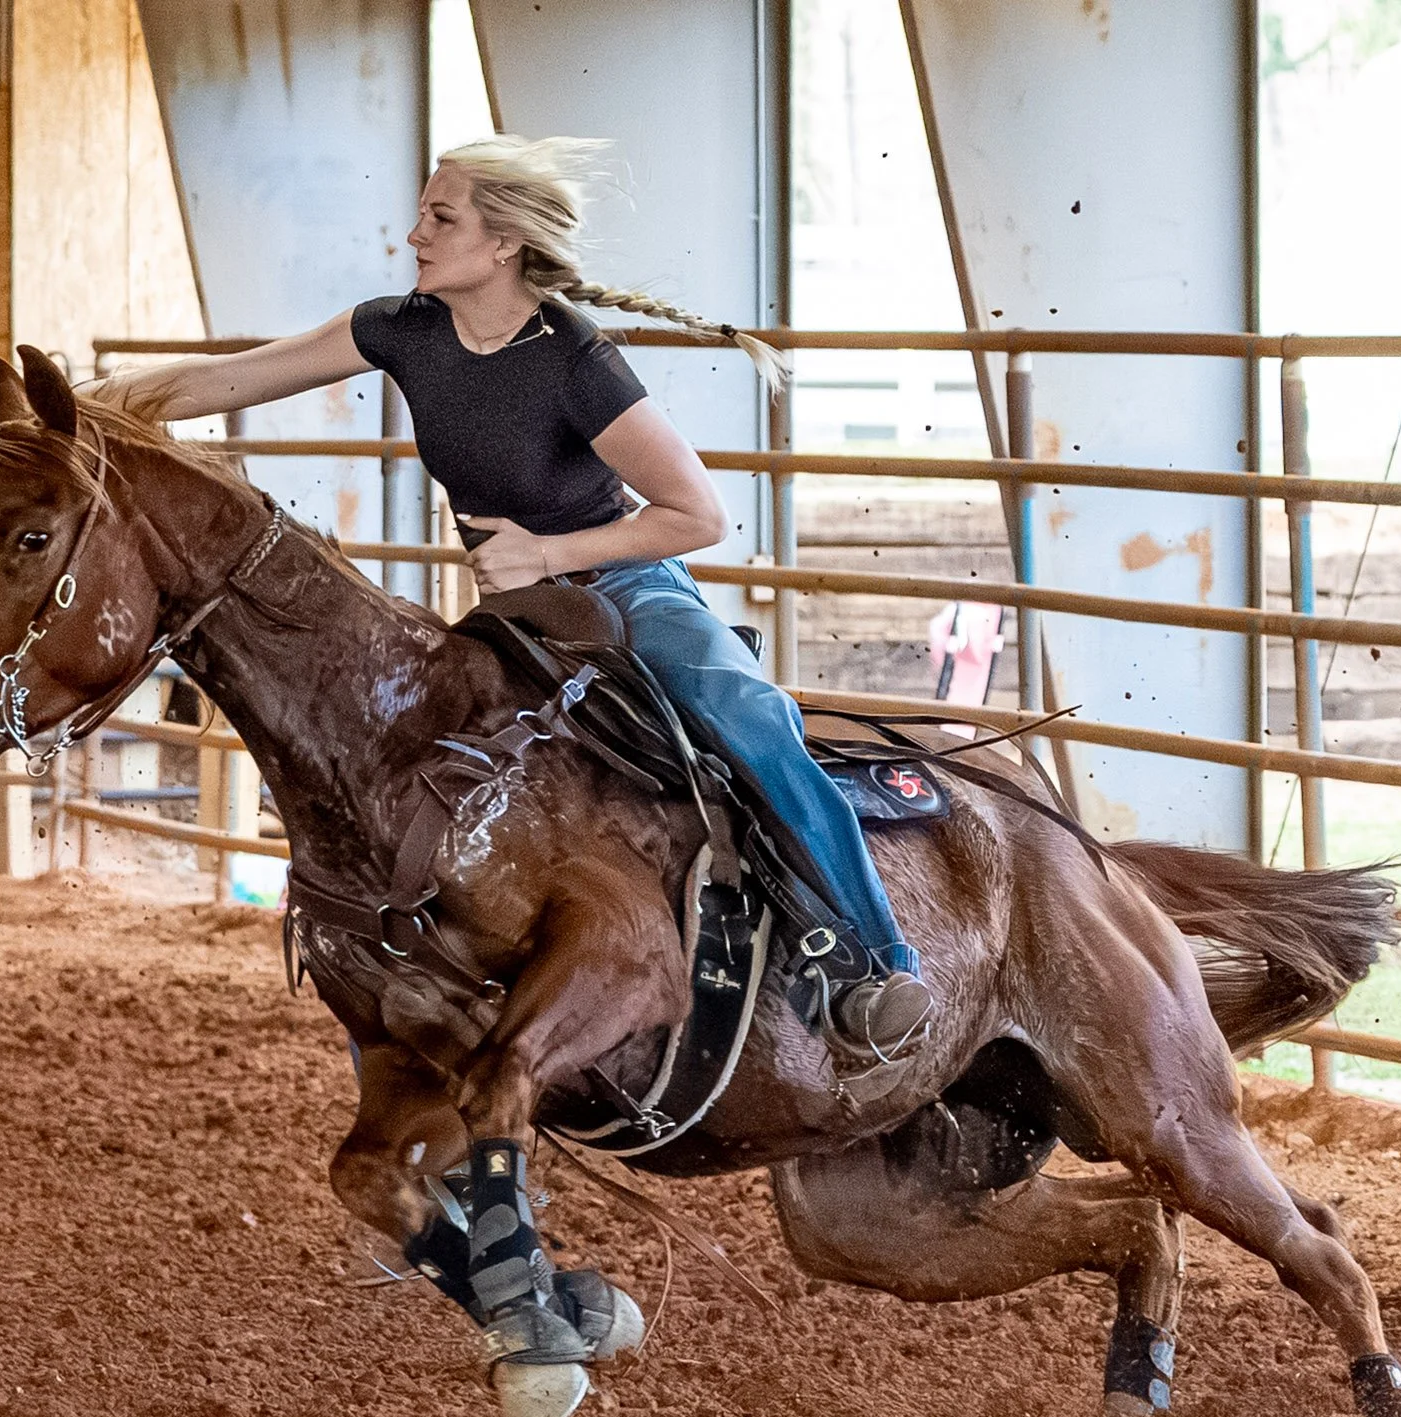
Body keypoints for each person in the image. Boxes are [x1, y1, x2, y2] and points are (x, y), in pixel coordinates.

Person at [92, 135, 931, 1060]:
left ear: (502, 245)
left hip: (624, 585)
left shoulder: (572, 358)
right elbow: (227, 378)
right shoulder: (403, 328)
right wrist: (71, 402)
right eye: (422, 212)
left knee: (746, 713)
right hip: (512, 606)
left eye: (439, 217)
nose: (413, 233)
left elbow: (697, 514)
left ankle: (876, 960)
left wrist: (549, 551)